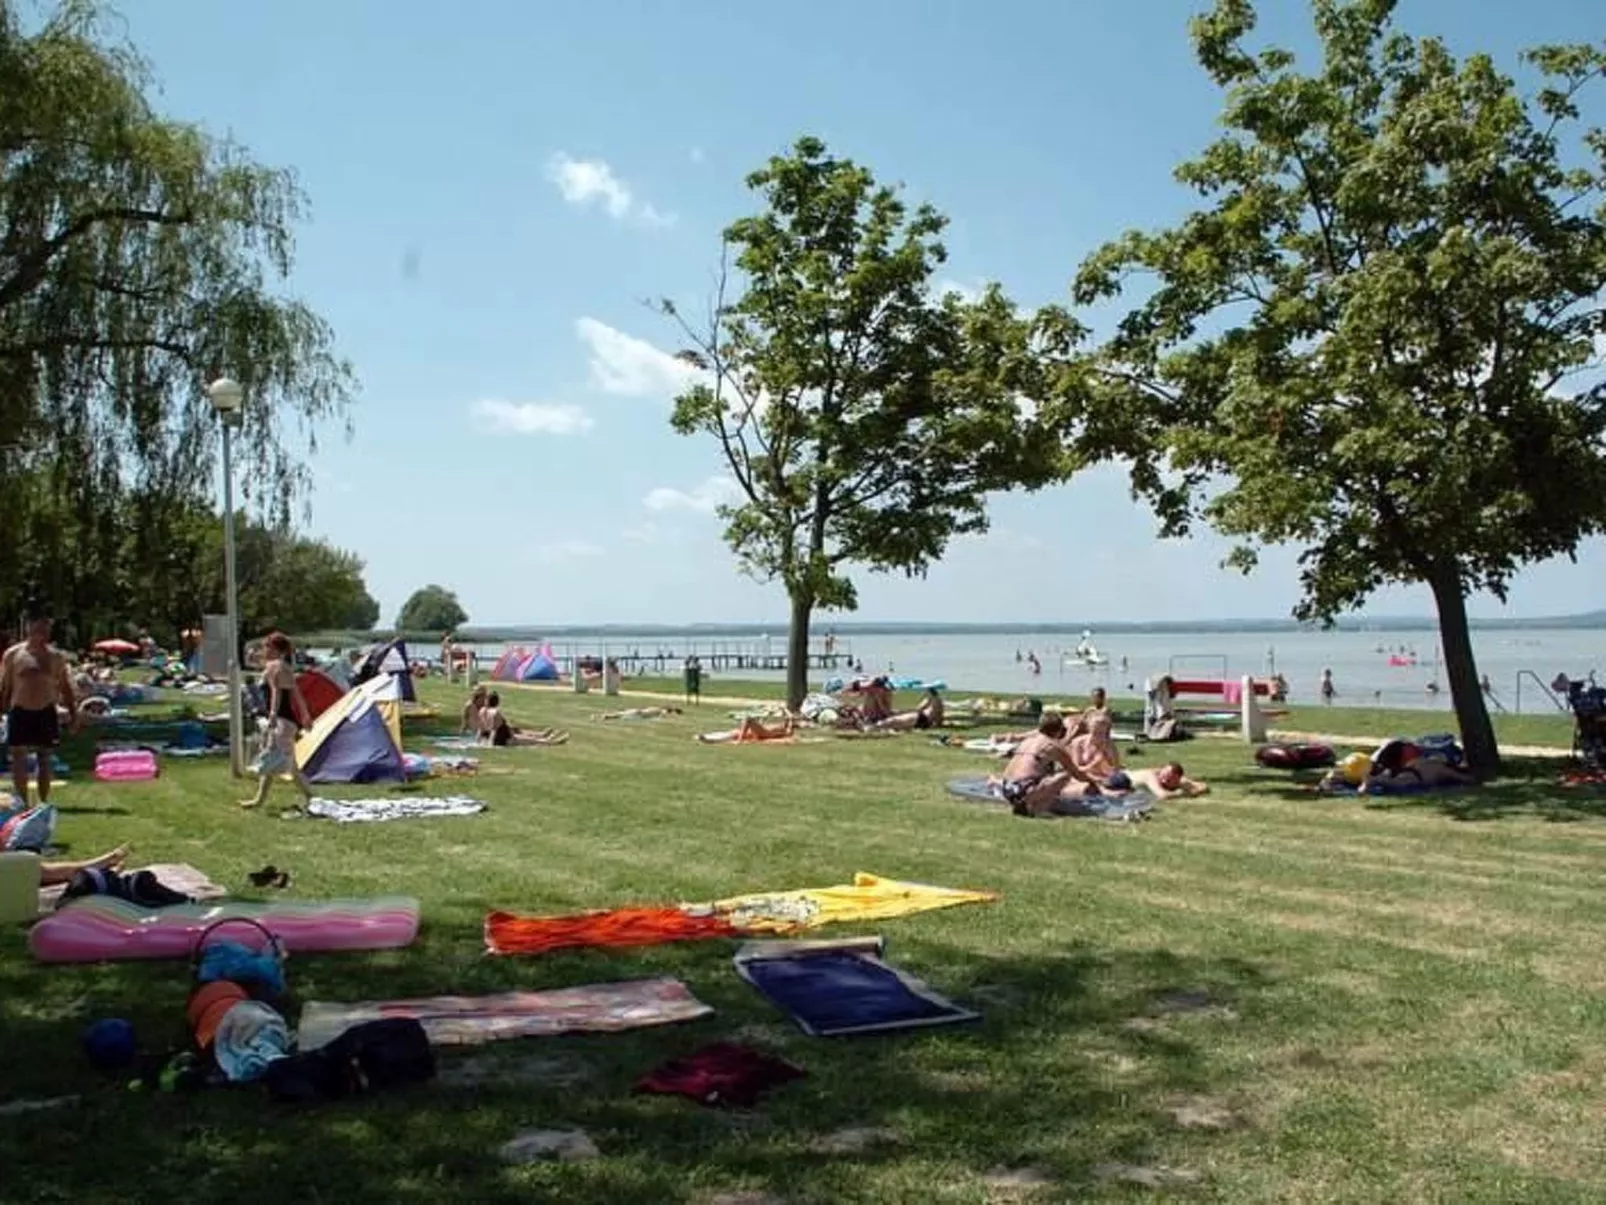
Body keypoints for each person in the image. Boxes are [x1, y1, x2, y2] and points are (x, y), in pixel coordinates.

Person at [0, 607, 78, 804]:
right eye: (37, 628)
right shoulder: (13, 654)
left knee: (44, 758)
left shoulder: (56, 657)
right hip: (20, 710)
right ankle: (23, 801)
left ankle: (43, 800)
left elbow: (65, 687)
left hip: (45, 710)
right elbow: (5, 686)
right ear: (29, 629)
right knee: (19, 757)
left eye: (45, 628)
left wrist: (74, 714)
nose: (42, 633)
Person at [240, 632, 313, 809]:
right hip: (289, 721)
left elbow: (276, 691)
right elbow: (297, 694)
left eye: (267, 646)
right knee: (282, 763)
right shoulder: (283, 666)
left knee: (273, 760)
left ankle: (310, 797)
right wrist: (305, 716)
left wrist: (272, 713)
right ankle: (310, 797)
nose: (264, 649)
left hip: (281, 720)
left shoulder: (275, 667)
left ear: (274, 649)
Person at [993, 712, 1098, 817]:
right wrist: (1094, 783)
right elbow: (1075, 772)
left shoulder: (1027, 741)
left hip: (1007, 788)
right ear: (1059, 730)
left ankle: (1026, 802)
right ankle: (1034, 810)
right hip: (1023, 789)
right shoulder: (1052, 746)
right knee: (1065, 775)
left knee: (1046, 774)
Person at [479, 692, 568, 746]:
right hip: (503, 739)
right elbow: (495, 729)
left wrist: (481, 739)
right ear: (497, 702)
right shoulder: (495, 712)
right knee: (532, 741)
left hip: (500, 738)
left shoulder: (482, 711)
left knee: (527, 738)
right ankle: (553, 742)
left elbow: (483, 728)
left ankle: (548, 738)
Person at [1119, 762, 1208, 800]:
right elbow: (1162, 795)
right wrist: (1181, 793)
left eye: (1169, 780)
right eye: (1163, 777)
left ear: (1177, 779)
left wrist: (1195, 791)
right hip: (1119, 778)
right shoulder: (1150, 776)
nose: (1164, 781)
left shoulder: (1179, 780)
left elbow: (1203, 786)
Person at [879, 688, 945, 732]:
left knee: (894, 721)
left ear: (929, 693)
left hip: (921, 719)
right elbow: (939, 716)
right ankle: (880, 726)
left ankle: (876, 726)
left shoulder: (932, 700)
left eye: (926, 693)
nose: (924, 694)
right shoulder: (937, 701)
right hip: (923, 720)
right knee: (897, 723)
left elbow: (919, 709)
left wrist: (902, 711)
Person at [697, 715, 795, 744]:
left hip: (764, 733)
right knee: (731, 733)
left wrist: (790, 719)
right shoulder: (778, 725)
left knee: (747, 720)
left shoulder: (785, 730)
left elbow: (790, 730)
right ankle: (707, 737)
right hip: (760, 731)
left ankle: (709, 740)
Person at [599, 706, 683, 721]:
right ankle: (607, 716)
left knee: (622, 715)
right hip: (639, 713)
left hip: (640, 714)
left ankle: (608, 717)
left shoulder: (658, 709)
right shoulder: (660, 711)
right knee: (622, 715)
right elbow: (665, 713)